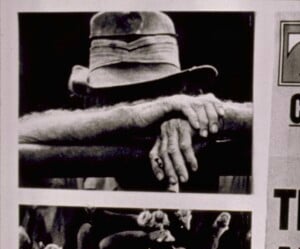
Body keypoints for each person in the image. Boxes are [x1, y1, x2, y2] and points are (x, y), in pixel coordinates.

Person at [19, 11, 252, 192]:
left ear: (185, 96)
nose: (149, 116)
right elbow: (14, 137)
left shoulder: (228, 174)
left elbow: (284, 128)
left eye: (159, 93)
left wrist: (216, 117)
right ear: (92, 106)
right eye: (116, 98)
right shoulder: (76, 178)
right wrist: (134, 116)